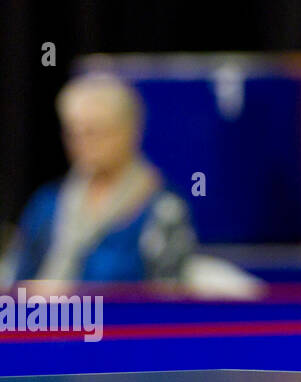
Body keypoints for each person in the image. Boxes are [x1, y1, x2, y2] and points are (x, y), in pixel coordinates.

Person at [1, 73, 195, 285]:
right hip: (44, 316)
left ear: (130, 131)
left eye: (94, 132)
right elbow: (15, 279)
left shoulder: (163, 210)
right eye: (74, 133)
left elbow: (167, 297)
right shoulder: (47, 202)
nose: (82, 143)